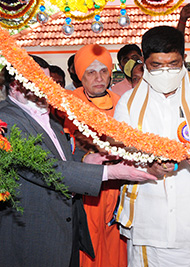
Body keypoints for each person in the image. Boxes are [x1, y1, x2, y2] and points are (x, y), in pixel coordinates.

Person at [0, 55, 156, 267]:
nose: (47, 88)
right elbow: (44, 167)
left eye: (48, 81)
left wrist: (89, 158)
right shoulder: (6, 120)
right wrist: (111, 173)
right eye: (39, 82)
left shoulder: (43, 111)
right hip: (34, 233)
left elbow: (61, 153)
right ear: (15, 86)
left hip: (62, 228)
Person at [114, 26, 190, 267]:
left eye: (173, 63)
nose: (166, 71)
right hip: (150, 220)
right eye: (157, 65)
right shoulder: (128, 103)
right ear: (144, 63)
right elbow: (121, 153)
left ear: (184, 59)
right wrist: (149, 167)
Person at [65, 44, 127, 267]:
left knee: (116, 246)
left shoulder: (124, 104)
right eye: (91, 72)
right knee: (89, 248)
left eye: (104, 71)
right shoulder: (68, 106)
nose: (98, 78)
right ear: (80, 75)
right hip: (87, 190)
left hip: (118, 186)